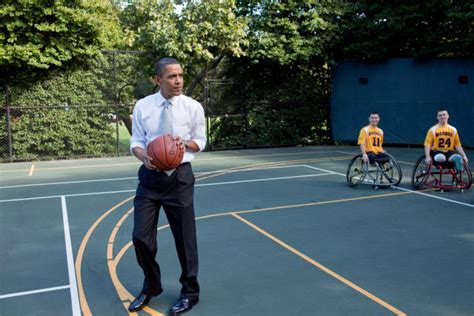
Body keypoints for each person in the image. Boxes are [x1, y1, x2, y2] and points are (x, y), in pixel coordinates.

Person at [128, 58, 206, 314]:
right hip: (150, 179)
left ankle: (190, 292)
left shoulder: (192, 107)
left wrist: (183, 143)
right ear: (157, 79)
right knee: (140, 236)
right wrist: (143, 156)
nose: (179, 81)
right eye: (172, 76)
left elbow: (200, 142)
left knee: (185, 240)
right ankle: (152, 285)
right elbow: (137, 141)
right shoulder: (143, 106)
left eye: (181, 75)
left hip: (180, 178)